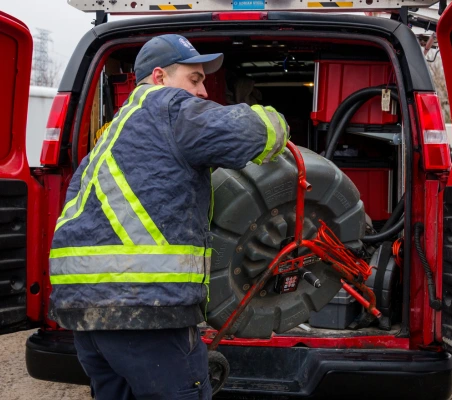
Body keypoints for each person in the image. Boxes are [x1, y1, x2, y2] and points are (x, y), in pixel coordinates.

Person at [47, 34, 289, 400]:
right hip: (146, 314)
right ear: (159, 77)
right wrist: (276, 123)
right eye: (195, 79)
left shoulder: (112, 131)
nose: (204, 92)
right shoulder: (166, 107)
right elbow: (250, 132)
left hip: (84, 315)